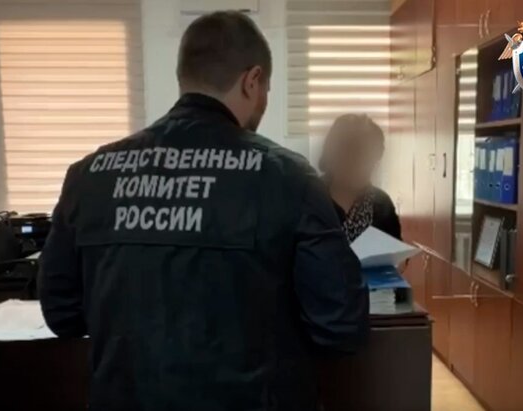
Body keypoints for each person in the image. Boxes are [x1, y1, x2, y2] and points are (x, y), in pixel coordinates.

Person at [39, 11, 368, 411]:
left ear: (184, 77)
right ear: (252, 81)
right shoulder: (289, 176)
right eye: (266, 90)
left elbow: (62, 314)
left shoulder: (89, 176)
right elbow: (340, 327)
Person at [318, 114, 402, 243]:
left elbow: (395, 249)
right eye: (358, 157)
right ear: (334, 154)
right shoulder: (310, 199)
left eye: (372, 159)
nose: (366, 167)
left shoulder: (382, 204)